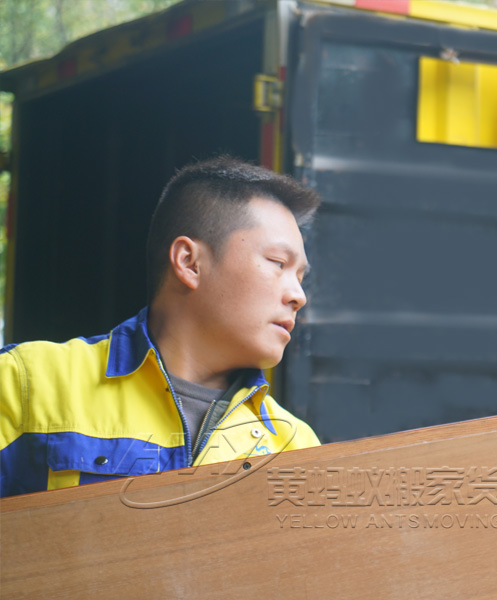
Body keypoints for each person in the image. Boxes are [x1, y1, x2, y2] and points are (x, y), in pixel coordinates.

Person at [0, 156, 321, 498]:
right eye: (278, 263)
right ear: (189, 262)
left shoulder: (296, 446)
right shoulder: (26, 383)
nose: (298, 296)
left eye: (300, 277)